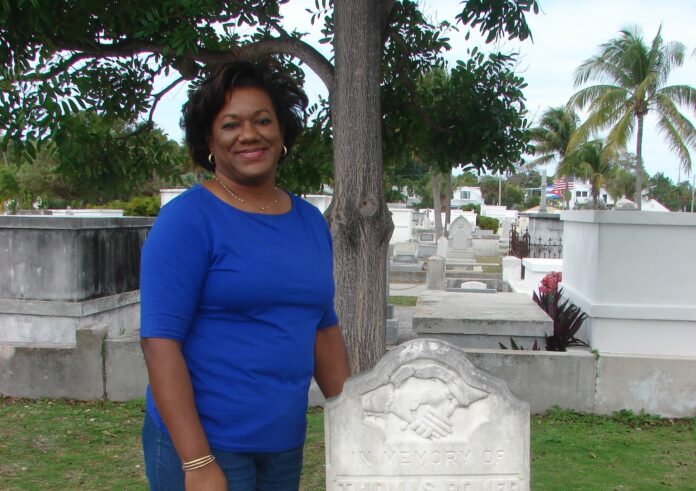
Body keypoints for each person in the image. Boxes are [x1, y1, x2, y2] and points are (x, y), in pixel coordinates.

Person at [140, 59, 350, 491]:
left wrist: (356, 419)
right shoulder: (187, 221)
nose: (250, 134)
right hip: (207, 443)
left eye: (263, 120)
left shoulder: (310, 222)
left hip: (282, 444)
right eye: (231, 124)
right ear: (209, 140)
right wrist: (197, 462)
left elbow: (321, 328)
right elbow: (159, 342)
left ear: (282, 133)